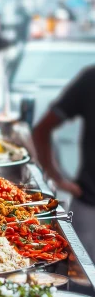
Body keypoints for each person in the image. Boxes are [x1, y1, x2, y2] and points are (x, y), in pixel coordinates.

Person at [32, 65, 95, 260]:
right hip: (89, 209)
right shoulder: (91, 79)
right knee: (82, 283)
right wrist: (55, 176)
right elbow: (42, 130)